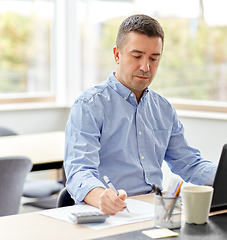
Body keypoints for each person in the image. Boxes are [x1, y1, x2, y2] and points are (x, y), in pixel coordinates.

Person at [64, 14, 217, 215]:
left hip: (155, 213)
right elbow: (79, 172)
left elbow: (189, 163)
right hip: (110, 215)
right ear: (117, 55)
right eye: (137, 56)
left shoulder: (163, 109)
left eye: (154, 59)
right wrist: (99, 195)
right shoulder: (89, 106)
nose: (146, 67)